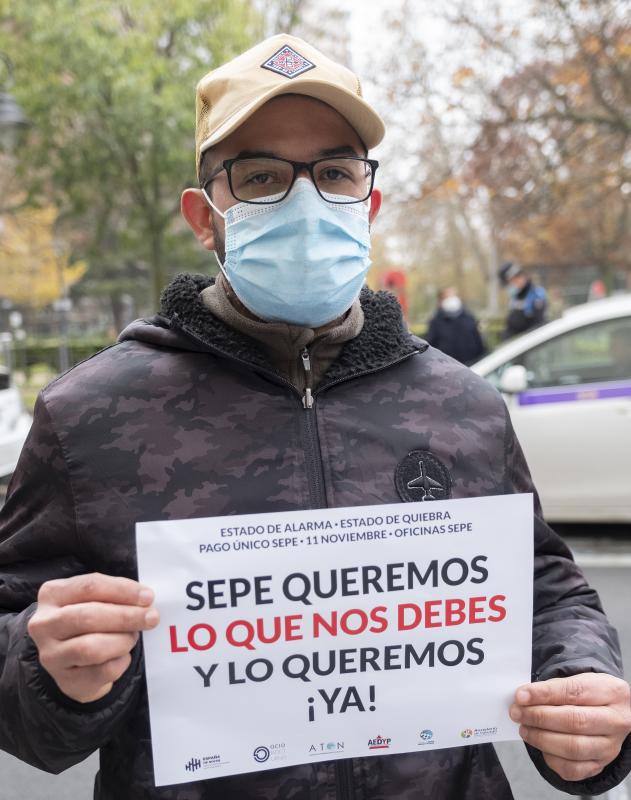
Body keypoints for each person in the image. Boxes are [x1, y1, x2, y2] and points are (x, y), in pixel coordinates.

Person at [0, 33, 630, 800]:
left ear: (368, 203)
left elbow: (544, 590)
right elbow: (16, 664)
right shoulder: (90, 416)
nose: (305, 200)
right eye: (261, 176)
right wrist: (48, 670)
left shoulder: (460, 403)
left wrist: (581, 684)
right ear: (205, 216)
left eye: (333, 172)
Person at [424, 286, 486, 365]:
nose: (451, 300)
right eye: (447, 297)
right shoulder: (436, 322)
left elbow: (479, 343)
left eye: (453, 296)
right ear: (440, 301)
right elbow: (431, 346)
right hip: (447, 368)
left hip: (471, 366)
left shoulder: (469, 318)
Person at [499, 261, 548, 339]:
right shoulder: (516, 297)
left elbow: (538, 325)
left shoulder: (537, 295)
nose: (510, 286)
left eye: (510, 282)